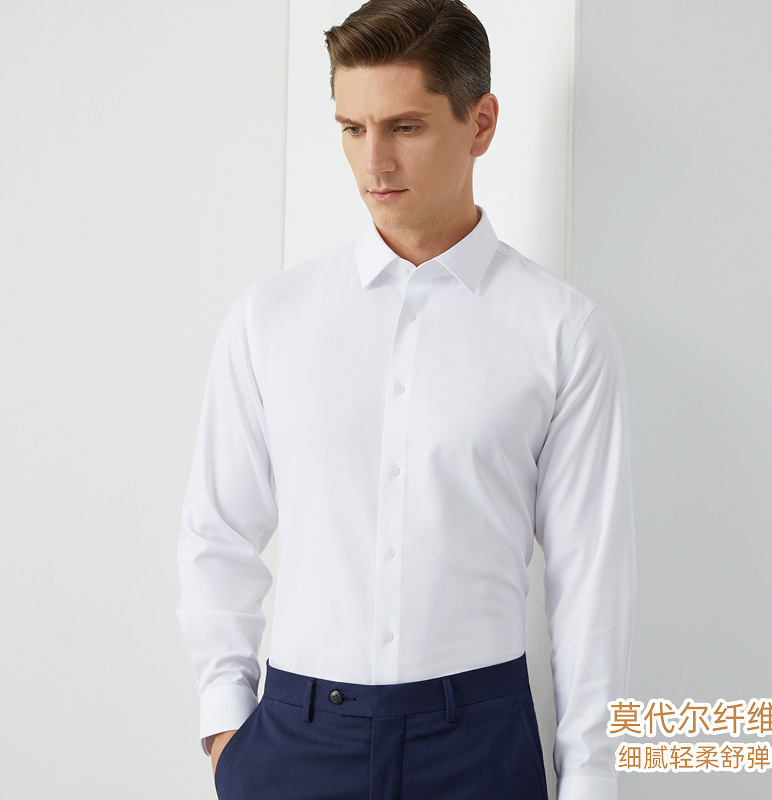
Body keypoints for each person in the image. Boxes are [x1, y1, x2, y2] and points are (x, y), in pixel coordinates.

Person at [175, 1, 636, 798]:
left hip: (479, 745)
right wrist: (225, 725)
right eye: (352, 129)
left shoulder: (562, 331)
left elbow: (592, 579)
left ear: (480, 123)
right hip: (294, 740)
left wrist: (592, 779)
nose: (374, 162)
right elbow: (217, 530)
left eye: (405, 127)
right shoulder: (270, 319)